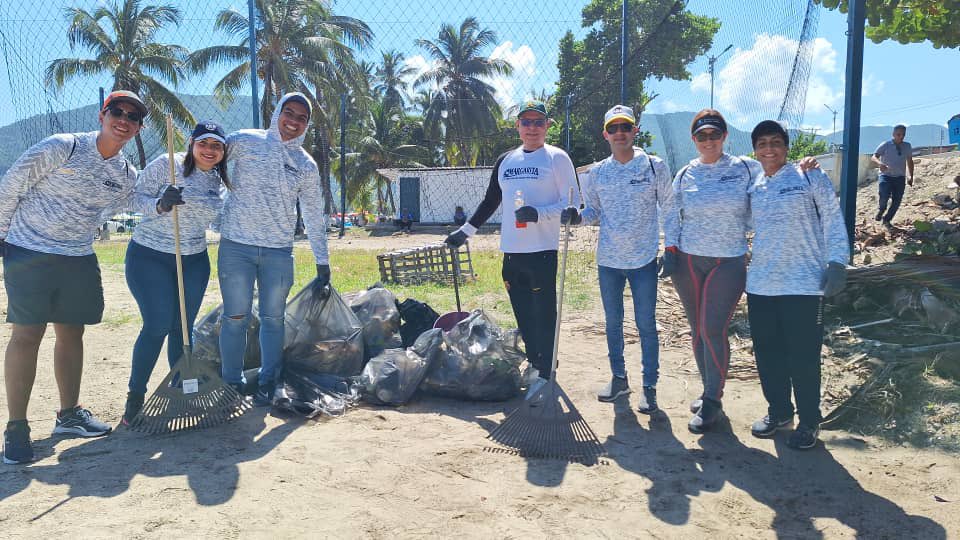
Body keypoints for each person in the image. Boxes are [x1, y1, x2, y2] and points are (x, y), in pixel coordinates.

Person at [0, 90, 145, 464]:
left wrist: (164, 201)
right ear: (102, 114)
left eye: (133, 116)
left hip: (77, 256)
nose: (124, 119)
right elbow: (12, 185)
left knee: (72, 332)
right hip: (29, 251)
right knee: (27, 334)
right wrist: (2, 236)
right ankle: (16, 427)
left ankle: (69, 415)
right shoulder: (62, 147)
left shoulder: (124, 172)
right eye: (118, 111)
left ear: (138, 127)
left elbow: (138, 200)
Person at [445, 100, 579, 399]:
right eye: (526, 122)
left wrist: (539, 213)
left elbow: (573, 204)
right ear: (517, 126)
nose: (532, 128)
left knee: (543, 313)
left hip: (542, 250)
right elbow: (490, 201)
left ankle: (546, 370)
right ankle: (534, 362)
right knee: (522, 312)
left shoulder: (556, 158)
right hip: (512, 251)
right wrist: (464, 232)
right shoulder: (506, 160)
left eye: (539, 122)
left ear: (548, 126)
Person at [218, 92, 331, 406]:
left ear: (307, 125)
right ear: (277, 112)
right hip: (236, 247)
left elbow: (312, 212)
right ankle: (232, 384)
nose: (293, 122)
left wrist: (322, 260)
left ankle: (269, 381)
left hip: (278, 252)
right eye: (289, 113)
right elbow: (209, 162)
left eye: (301, 118)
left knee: (273, 319)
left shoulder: (304, 165)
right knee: (235, 317)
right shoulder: (244, 141)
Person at [560, 105, 671, 414]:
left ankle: (649, 386)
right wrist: (576, 217)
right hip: (609, 261)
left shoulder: (654, 166)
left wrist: (671, 249)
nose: (620, 133)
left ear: (635, 131)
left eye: (626, 127)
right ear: (605, 134)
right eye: (614, 128)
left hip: (644, 261)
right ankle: (619, 379)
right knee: (613, 324)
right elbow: (593, 213)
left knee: (646, 324)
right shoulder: (597, 174)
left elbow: (670, 207)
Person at [745, 120, 849, 450]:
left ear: (787, 148)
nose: (769, 148)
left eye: (776, 142)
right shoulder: (755, 185)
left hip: (803, 284)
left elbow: (833, 218)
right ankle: (779, 412)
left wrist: (837, 263)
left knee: (802, 357)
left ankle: (809, 421)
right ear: (755, 151)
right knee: (768, 354)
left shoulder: (808, 176)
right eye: (762, 143)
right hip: (761, 285)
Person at [121, 121, 230, 425]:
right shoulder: (166, 165)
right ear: (192, 143)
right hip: (150, 257)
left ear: (223, 151)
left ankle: (181, 391)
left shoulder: (220, 182)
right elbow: (132, 198)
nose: (209, 150)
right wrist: (160, 204)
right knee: (157, 325)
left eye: (216, 146)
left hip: (193, 260)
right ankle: (135, 396)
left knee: (182, 329)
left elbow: (220, 220)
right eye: (204, 143)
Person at [871, 125, 915, 227]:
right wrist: (880, 164)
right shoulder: (885, 145)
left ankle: (887, 220)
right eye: (899, 134)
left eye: (903, 134)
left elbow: (910, 161)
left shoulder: (907, 146)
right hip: (885, 176)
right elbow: (874, 156)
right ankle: (881, 210)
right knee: (884, 196)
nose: (901, 137)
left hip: (900, 177)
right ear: (893, 134)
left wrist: (911, 176)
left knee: (897, 201)